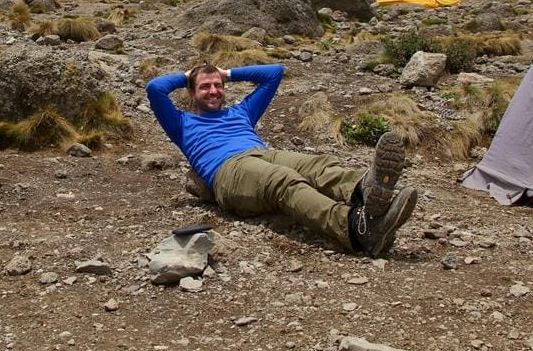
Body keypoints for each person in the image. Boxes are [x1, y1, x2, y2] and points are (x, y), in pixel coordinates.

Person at [147, 63, 417, 257]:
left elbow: (274, 72)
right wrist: (190, 74)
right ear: (191, 92)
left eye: (218, 85)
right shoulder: (181, 123)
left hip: (263, 154)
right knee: (283, 180)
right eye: (205, 87)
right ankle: (357, 229)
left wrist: (227, 73)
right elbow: (155, 88)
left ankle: (364, 191)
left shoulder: (241, 112)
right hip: (227, 171)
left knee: (317, 164)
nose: (214, 90)